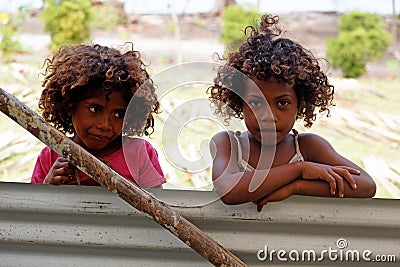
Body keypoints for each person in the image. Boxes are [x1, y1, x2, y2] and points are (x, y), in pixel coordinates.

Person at [208, 14, 376, 211]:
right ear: (239, 102)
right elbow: (229, 191)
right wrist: (299, 169)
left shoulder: (307, 147)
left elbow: (365, 185)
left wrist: (295, 187)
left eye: (283, 103)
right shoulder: (228, 144)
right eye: (255, 102)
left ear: (301, 104)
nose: (268, 116)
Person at [31, 43, 166, 188]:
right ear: (70, 104)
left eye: (118, 114)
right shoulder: (51, 155)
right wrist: (48, 185)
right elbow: (32, 207)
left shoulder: (140, 154)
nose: (104, 125)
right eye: (95, 109)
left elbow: (157, 206)